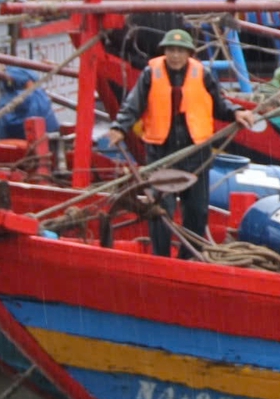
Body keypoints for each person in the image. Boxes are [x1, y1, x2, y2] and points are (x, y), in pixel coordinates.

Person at [109, 29, 254, 258]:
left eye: (180, 51)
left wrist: (237, 112)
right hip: (161, 152)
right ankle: (161, 258)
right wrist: (119, 127)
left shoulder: (202, 74)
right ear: (164, 52)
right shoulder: (150, 74)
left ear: (189, 53)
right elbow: (133, 105)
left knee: (196, 211)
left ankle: (188, 259)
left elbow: (220, 104)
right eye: (171, 50)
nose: (175, 55)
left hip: (195, 151)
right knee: (160, 209)